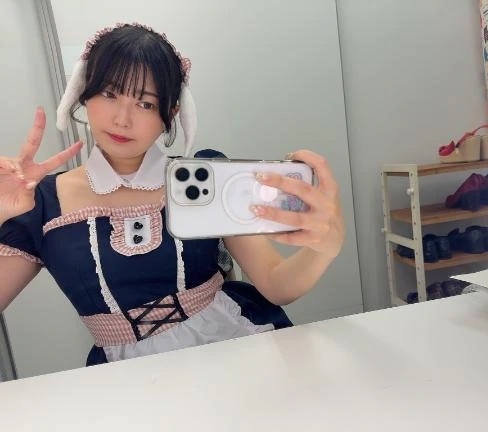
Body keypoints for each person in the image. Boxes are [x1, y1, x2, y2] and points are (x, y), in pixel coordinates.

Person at [0, 23, 344, 366]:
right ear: (83, 94)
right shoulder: (41, 203)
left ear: (171, 112)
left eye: (146, 104)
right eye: (108, 93)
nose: (122, 119)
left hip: (232, 348)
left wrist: (325, 247)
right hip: (124, 379)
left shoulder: (208, 175)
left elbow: (276, 285)